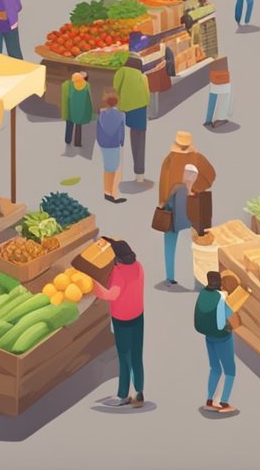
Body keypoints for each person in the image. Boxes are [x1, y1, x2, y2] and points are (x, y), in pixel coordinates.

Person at [94, 238, 145, 407]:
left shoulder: (118, 271)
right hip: (138, 316)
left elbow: (112, 295)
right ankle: (139, 392)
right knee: (137, 355)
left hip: (122, 319)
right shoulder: (138, 267)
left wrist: (94, 285)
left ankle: (123, 395)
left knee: (124, 357)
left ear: (116, 258)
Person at [159, 135, 216, 282]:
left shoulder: (169, 160)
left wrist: (162, 203)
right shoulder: (197, 158)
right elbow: (211, 175)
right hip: (193, 202)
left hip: (173, 203)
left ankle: (170, 277)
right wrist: (195, 189)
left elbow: (163, 185)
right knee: (198, 240)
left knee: (170, 241)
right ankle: (200, 276)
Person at [195, 271, 238, 413]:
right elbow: (227, 315)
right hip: (222, 337)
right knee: (230, 370)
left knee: (215, 368)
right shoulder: (220, 297)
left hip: (209, 336)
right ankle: (224, 403)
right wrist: (226, 297)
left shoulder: (203, 293)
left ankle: (209, 400)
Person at [113, 55, 150, 184]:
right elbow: (147, 94)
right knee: (139, 140)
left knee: (116, 140)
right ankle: (139, 174)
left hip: (122, 107)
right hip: (140, 107)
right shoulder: (143, 76)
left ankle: (115, 172)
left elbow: (115, 88)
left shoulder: (121, 71)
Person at [97, 95, 127, 203]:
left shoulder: (102, 114)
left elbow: (98, 129)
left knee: (107, 168)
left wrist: (100, 141)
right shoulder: (121, 115)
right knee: (115, 168)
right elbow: (121, 130)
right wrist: (122, 141)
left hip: (104, 143)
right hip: (114, 144)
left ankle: (106, 191)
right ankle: (114, 194)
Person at [60, 71, 93, 150]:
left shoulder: (67, 84)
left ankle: (68, 140)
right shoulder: (86, 85)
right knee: (79, 125)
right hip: (81, 109)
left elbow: (65, 97)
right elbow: (89, 99)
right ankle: (77, 142)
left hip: (70, 109)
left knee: (69, 125)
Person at [204, 58, 232, 128]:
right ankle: (221, 117)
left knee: (214, 89)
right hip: (220, 67)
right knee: (224, 91)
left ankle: (209, 119)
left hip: (214, 68)